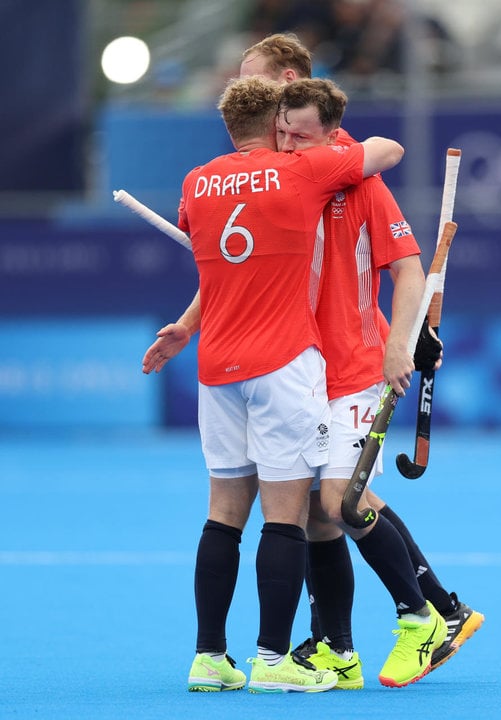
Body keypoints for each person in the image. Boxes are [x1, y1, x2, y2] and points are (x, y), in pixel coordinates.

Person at [149, 34, 483, 687]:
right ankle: (338, 646)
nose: (271, 120)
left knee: (337, 499)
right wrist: (189, 324)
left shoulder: (349, 172)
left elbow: (406, 268)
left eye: (264, 88)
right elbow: (232, 271)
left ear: (292, 84)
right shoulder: (279, 175)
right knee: (308, 512)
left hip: (351, 363)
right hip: (298, 369)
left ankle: (429, 614)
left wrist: (400, 342)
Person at [174, 75, 404, 693]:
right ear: (277, 123)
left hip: (215, 366)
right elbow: (384, 150)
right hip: (282, 365)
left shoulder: (197, 182)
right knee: (287, 514)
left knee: (222, 514)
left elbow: (205, 236)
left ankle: (208, 658)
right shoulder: (302, 172)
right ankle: (273, 661)